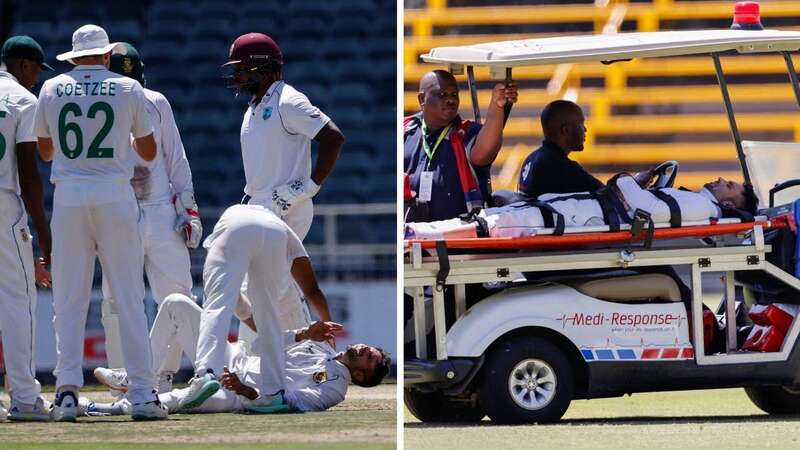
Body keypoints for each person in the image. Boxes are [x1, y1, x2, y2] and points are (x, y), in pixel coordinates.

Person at [33, 24, 165, 421]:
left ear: (74, 57)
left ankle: (68, 393)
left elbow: (43, 151)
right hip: (114, 193)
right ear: (107, 56)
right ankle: (142, 393)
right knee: (127, 296)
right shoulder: (129, 89)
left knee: (68, 299)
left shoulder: (52, 88)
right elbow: (148, 150)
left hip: (70, 195)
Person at [223, 33, 345, 347]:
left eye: (242, 68)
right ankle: (317, 358)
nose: (237, 75)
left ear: (263, 67)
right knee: (283, 292)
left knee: (259, 288)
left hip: (286, 205)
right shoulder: (255, 105)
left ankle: (246, 364)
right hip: (259, 204)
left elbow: (333, 137)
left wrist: (310, 185)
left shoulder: (287, 100)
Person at [90, 293, 390, 414]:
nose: (365, 349)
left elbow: (292, 404)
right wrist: (301, 332)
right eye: (370, 349)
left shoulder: (336, 388)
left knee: (178, 401)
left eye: (370, 357)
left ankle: (96, 409)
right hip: (234, 359)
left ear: (362, 374)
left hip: (237, 395)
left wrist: (246, 390)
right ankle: (138, 375)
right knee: (175, 303)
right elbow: (261, 345)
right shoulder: (320, 342)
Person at [99, 42, 200, 393]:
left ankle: (164, 374)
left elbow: (176, 158)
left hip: (158, 209)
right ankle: (123, 376)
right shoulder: (99, 105)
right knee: (116, 298)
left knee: (175, 293)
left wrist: (188, 209)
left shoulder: (155, 102)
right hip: (118, 209)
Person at [179, 204, 334, 413]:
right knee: (268, 315)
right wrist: (327, 326)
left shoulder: (228, 223)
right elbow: (312, 289)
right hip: (274, 234)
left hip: (234, 225)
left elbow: (230, 300)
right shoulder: (282, 228)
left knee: (217, 305)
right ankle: (273, 394)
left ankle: (206, 373)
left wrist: (245, 315)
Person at [406, 174, 759, 240]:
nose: (719, 180)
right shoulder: (698, 202)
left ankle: (419, 234)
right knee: (493, 218)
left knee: (491, 224)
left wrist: (624, 179)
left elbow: (647, 209)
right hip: (585, 213)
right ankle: (422, 234)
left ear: (731, 202)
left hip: (585, 219)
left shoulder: (700, 208)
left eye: (729, 185)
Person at [0, 35, 53, 422]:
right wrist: (44, 231)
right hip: (3, 203)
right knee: (18, 300)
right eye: (35, 69)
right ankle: (24, 397)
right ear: (21, 65)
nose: (36, 78)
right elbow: (28, 173)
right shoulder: (22, 100)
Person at [404, 70, 518, 222]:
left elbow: (484, 152)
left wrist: (497, 107)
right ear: (422, 98)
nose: (450, 100)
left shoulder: (466, 132)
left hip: (460, 239)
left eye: (454, 95)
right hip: (413, 238)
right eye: (443, 95)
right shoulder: (405, 131)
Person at [517, 100, 603, 198]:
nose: (585, 129)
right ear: (565, 130)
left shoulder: (532, 158)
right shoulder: (560, 167)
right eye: (581, 123)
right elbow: (607, 195)